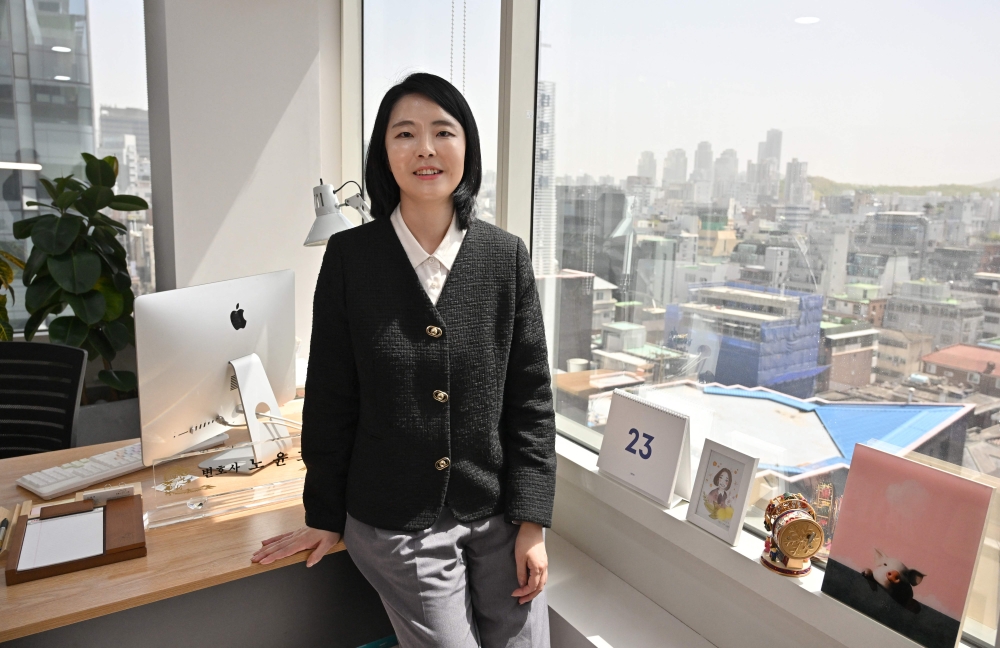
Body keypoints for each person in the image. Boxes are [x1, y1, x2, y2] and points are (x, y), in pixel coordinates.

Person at [251, 72, 556, 648]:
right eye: (404, 134)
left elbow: (530, 403)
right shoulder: (350, 258)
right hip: (395, 523)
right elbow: (332, 397)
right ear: (382, 154)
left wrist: (532, 523)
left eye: (444, 131)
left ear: (467, 147)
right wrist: (323, 511)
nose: (425, 149)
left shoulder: (505, 258)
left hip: (495, 516)